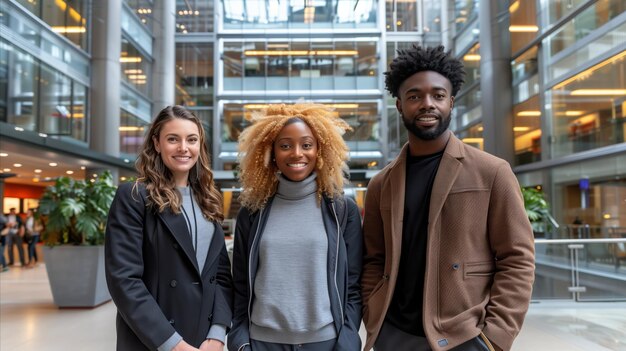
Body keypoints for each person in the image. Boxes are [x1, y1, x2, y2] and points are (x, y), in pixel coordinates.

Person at [361, 45, 535, 351]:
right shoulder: (381, 184)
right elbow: (374, 259)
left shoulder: (492, 172)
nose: (427, 104)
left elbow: (517, 258)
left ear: (451, 102)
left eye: (437, 95)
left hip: (465, 337)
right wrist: (373, 314)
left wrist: (496, 336)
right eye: (414, 96)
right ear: (400, 105)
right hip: (394, 335)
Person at [228, 104, 363, 351]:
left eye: (307, 144)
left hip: (326, 343)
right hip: (262, 343)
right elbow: (239, 284)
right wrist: (240, 341)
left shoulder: (342, 209)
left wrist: (348, 339)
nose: (297, 153)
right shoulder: (252, 210)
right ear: (271, 152)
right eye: (285, 145)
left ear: (320, 150)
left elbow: (353, 284)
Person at [105, 105, 233, 351]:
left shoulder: (208, 199)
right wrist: (173, 345)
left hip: (203, 340)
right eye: (173, 139)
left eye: (191, 140)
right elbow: (124, 280)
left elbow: (221, 277)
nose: (184, 148)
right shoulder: (134, 196)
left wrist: (217, 334)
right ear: (156, 143)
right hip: (153, 340)